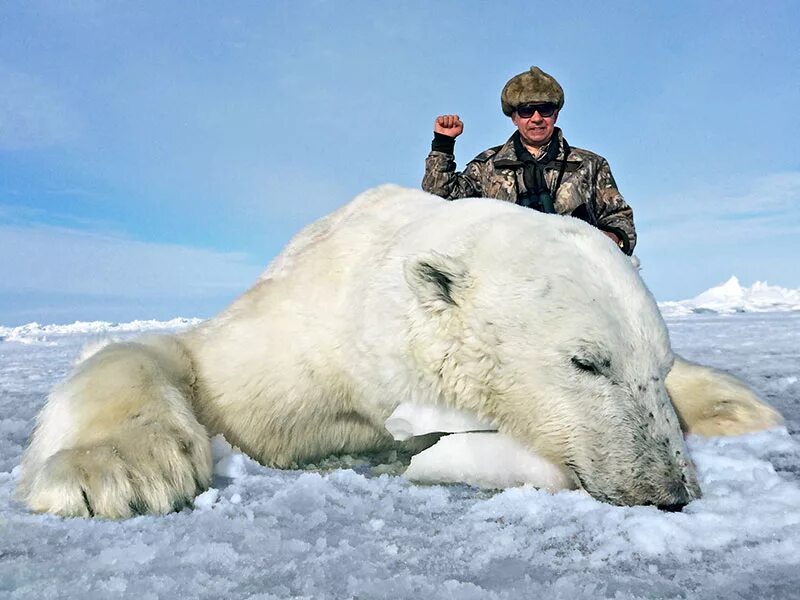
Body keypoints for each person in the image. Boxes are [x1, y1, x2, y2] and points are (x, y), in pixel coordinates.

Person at [422, 66, 636, 254]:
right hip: (506, 275)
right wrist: (443, 144)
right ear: (514, 118)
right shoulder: (488, 165)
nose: (536, 118)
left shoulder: (591, 165)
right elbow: (441, 199)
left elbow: (620, 218)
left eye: (545, 109)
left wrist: (612, 238)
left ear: (555, 115)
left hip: (573, 274)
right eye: (526, 111)